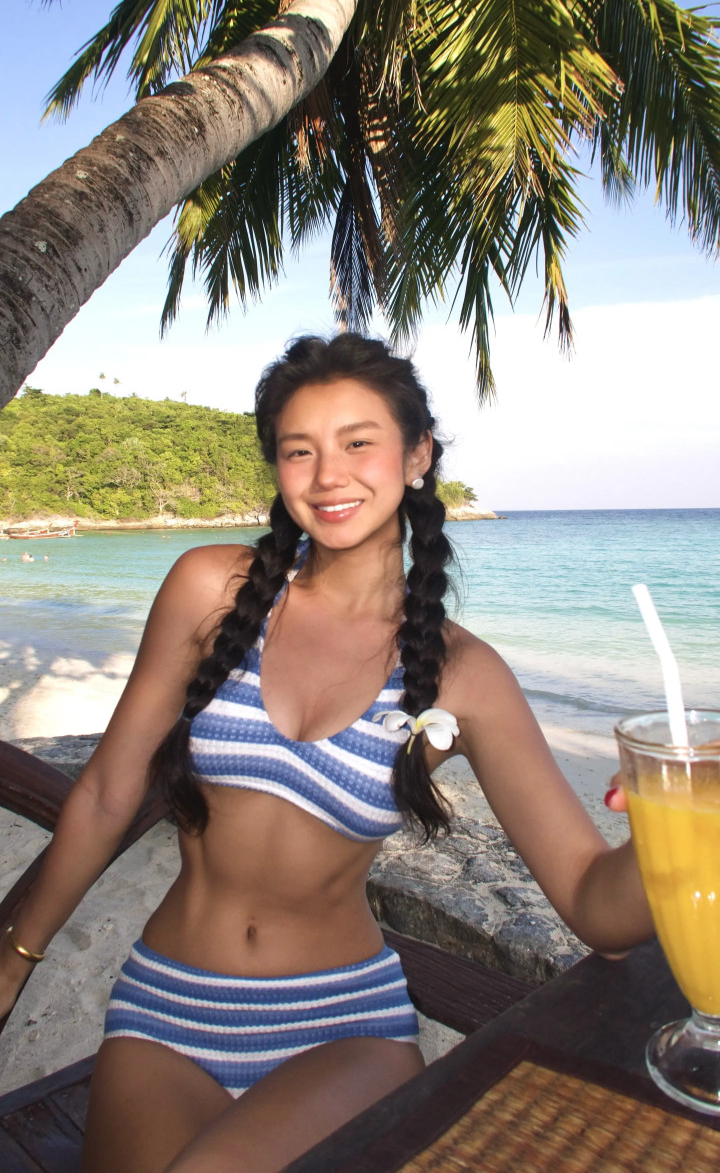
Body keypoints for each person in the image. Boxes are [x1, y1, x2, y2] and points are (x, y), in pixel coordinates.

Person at [0, 334, 653, 1173]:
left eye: (357, 442)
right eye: (298, 449)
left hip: (341, 1029)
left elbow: (596, 906)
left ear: (417, 456)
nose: (326, 475)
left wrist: (682, 818)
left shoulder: (464, 674)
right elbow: (104, 794)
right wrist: (15, 957)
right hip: (166, 1007)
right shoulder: (211, 589)